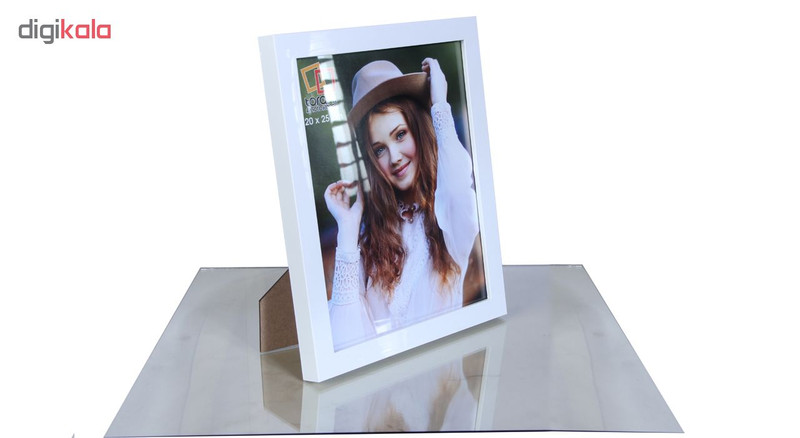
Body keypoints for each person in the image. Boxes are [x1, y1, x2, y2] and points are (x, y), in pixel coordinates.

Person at [324, 58, 479, 350]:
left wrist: (439, 106)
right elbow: (345, 340)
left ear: (418, 129)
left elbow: (459, 187)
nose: (394, 157)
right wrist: (347, 228)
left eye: (400, 135)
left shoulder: (448, 220)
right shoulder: (368, 239)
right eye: (379, 149)